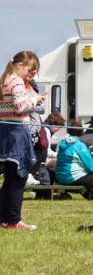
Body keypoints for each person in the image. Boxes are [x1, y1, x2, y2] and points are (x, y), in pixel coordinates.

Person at [0, 51, 47, 229]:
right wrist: (34, 100)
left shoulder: (5, 79)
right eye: (30, 71)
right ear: (20, 66)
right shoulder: (16, 81)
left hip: (7, 131)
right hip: (17, 133)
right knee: (18, 178)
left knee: (10, 179)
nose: (31, 76)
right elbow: (20, 107)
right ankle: (13, 220)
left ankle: (4, 219)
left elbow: (8, 107)